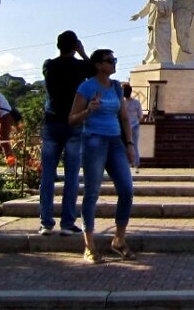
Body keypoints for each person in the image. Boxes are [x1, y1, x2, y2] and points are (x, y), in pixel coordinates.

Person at [71, 48, 136, 263]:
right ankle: (89, 246)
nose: (113, 63)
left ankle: (119, 239)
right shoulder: (87, 87)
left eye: (114, 59)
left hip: (115, 141)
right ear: (98, 65)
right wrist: (89, 110)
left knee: (126, 190)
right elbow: (72, 119)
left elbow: (124, 117)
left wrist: (129, 144)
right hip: (94, 141)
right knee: (92, 193)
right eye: (109, 60)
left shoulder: (117, 87)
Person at [38, 30, 94, 236]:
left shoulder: (49, 66)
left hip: (52, 121)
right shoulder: (80, 67)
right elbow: (93, 73)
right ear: (75, 45)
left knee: (48, 175)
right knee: (72, 175)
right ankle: (68, 222)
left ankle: (45, 221)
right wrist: (83, 52)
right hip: (74, 121)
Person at [131, 0, 173, 64]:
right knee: (152, 41)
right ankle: (152, 57)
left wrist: (156, 2)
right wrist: (138, 15)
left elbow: (168, 5)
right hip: (152, 20)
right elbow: (147, 7)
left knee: (162, 41)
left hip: (162, 22)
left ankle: (164, 59)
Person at [122, 83, 143, 172]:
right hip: (135, 125)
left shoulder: (122, 103)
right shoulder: (136, 102)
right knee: (134, 145)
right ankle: (136, 164)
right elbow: (140, 116)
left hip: (124, 127)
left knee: (124, 145)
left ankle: (127, 164)